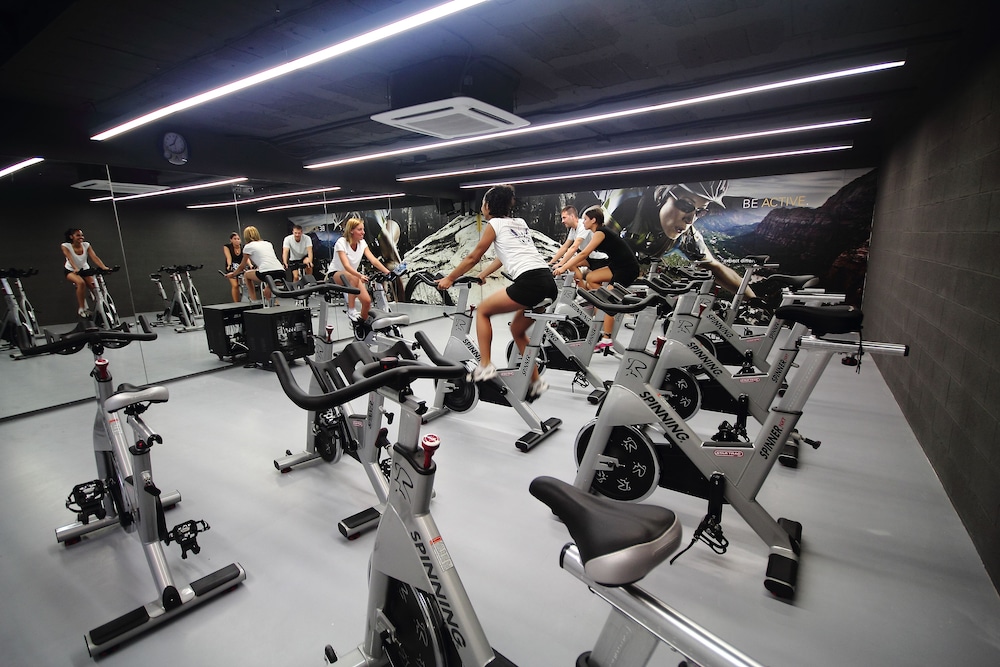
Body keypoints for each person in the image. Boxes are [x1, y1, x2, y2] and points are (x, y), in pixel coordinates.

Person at [437, 184, 557, 399]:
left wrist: (449, 278)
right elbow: (503, 257)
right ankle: (536, 381)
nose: (482, 207)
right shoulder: (520, 223)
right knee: (518, 330)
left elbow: (473, 257)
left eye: (483, 203)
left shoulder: (494, 224)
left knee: (483, 311)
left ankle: (485, 365)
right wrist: (483, 274)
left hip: (530, 282)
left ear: (488, 206)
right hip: (548, 282)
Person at [621, 181, 755, 298]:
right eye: (686, 205)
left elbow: (716, 268)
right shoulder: (626, 206)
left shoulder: (687, 238)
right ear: (662, 195)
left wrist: (753, 300)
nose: (690, 220)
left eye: (700, 212)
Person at [554, 206, 640, 351]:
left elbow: (583, 254)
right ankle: (599, 303)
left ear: (593, 220)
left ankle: (607, 338)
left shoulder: (600, 233)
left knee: (608, 301)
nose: (583, 222)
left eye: (585, 219)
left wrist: (562, 267)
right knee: (592, 278)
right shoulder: (598, 232)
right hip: (616, 266)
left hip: (627, 269)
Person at [326, 217, 391, 322]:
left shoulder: (362, 243)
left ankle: (362, 325)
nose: (363, 232)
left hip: (352, 276)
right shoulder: (341, 242)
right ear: (351, 231)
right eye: (360, 230)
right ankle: (351, 310)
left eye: (363, 229)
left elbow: (373, 260)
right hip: (336, 275)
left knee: (366, 301)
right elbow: (346, 266)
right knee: (354, 277)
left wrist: (387, 272)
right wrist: (360, 276)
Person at [225, 226, 285, 303]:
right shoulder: (268, 243)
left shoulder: (248, 247)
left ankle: (253, 300)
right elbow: (267, 260)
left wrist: (233, 274)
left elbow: (242, 266)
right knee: (267, 290)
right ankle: (275, 303)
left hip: (266, 273)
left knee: (246, 275)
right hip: (281, 272)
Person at [62, 228, 111, 318]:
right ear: (71, 237)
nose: (81, 237)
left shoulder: (86, 245)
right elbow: (69, 258)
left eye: (82, 235)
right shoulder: (66, 246)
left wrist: (104, 267)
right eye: (78, 235)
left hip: (84, 269)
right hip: (71, 270)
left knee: (94, 286)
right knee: (81, 283)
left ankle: (100, 307)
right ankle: (82, 308)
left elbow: (94, 257)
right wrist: (75, 268)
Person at [222, 231, 255, 302]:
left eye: (238, 239)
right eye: (235, 239)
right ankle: (236, 302)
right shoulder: (227, 247)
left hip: (241, 266)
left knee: (247, 284)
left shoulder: (243, 247)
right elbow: (228, 257)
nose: (237, 240)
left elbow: (246, 258)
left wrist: (250, 265)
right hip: (232, 266)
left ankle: (250, 299)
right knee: (235, 285)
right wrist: (229, 265)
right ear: (231, 240)